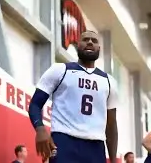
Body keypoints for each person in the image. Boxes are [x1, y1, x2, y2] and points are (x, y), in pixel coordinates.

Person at [28, 30, 119, 163]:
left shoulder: (109, 81)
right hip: (64, 140)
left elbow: (111, 125)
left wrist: (113, 159)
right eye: (85, 39)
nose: (89, 42)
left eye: (94, 41)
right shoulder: (60, 70)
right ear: (78, 45)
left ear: (99, 48)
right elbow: (35, 104)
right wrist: (40, 129)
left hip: (96, 147)